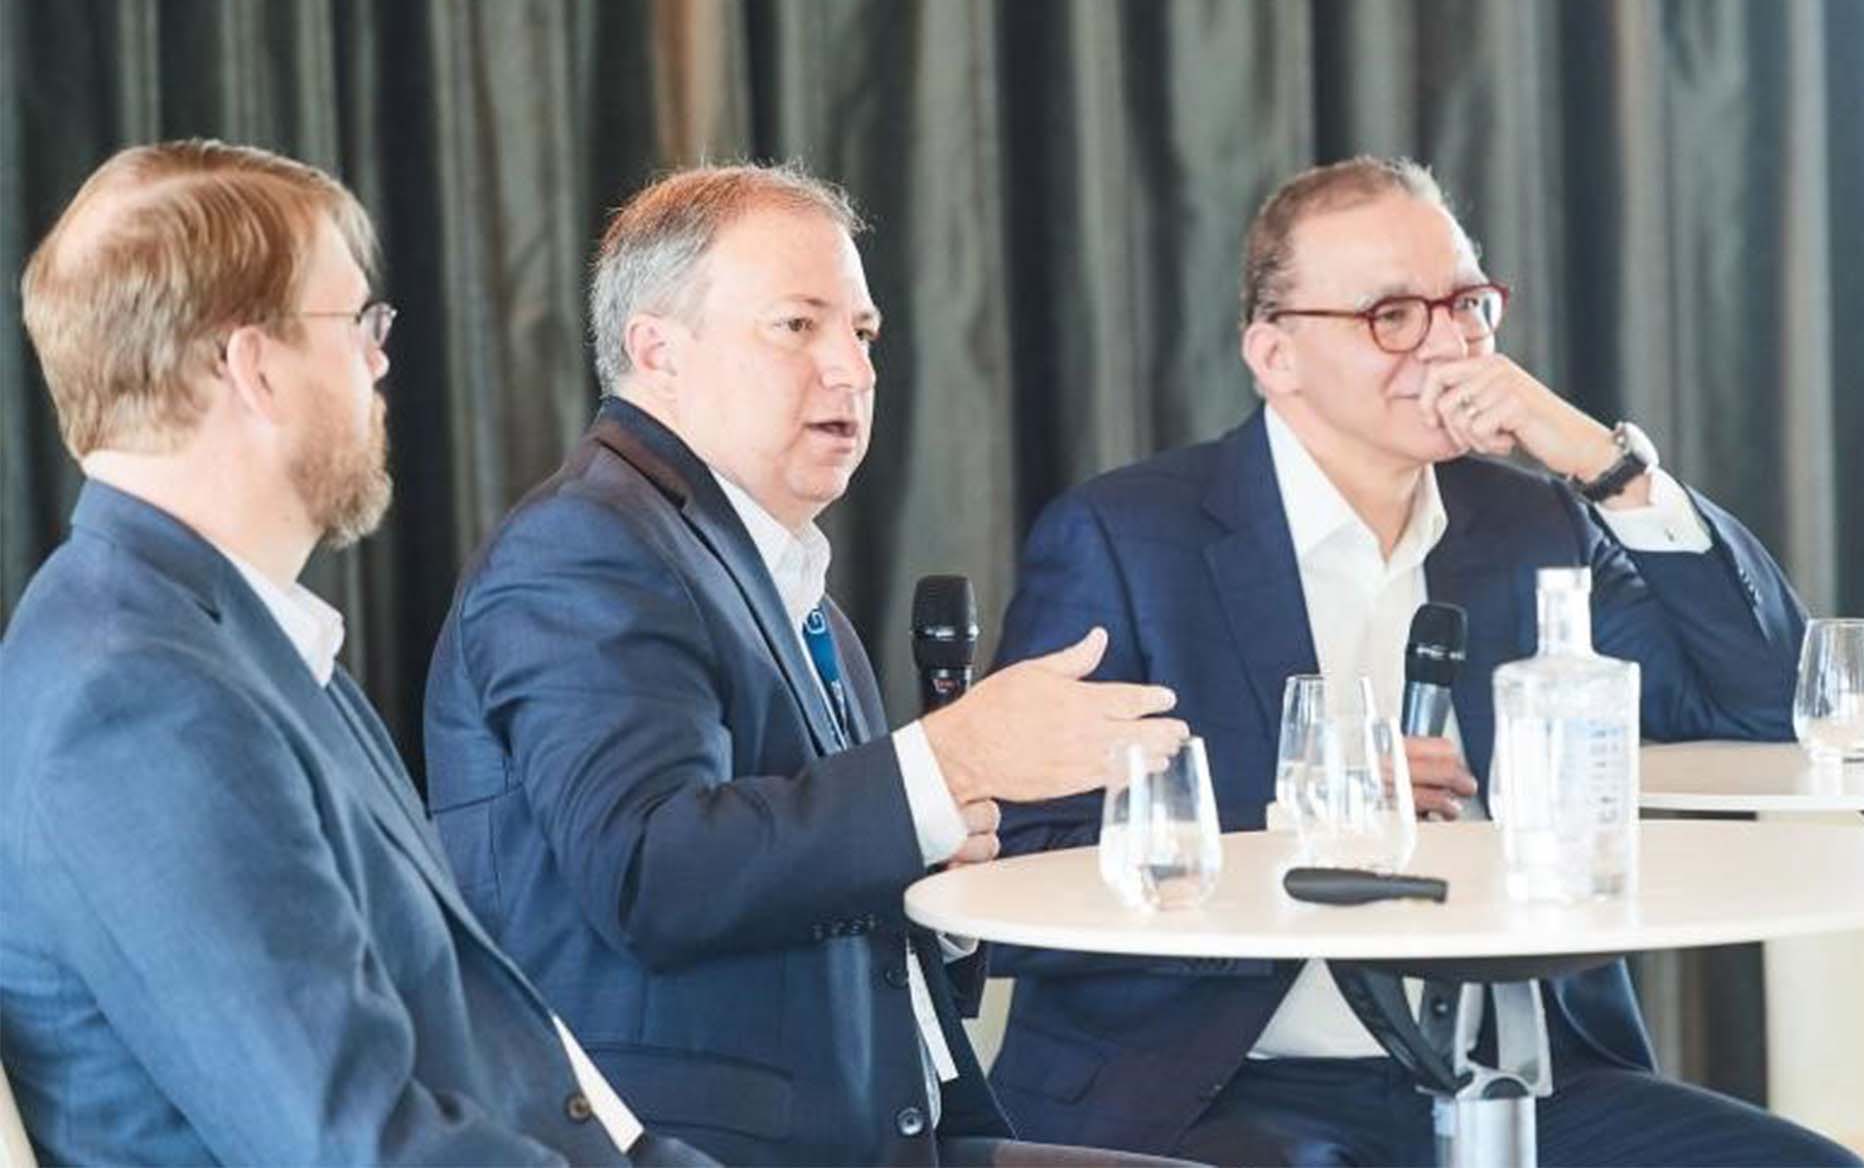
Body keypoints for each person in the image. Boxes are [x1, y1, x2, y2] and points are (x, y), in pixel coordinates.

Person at [986, 156, 1862, 1167]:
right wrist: (1303, 815)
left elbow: (1763, 703)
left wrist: (1605, 466)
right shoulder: (1127, 536)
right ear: (1274, 355)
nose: (1446, 345)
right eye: (1391, 314)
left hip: (1521, 1079)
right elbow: (1022, 863)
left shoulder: (1532, 522)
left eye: (1466, 305)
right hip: (1224, 1082)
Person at [423, 164, 1191, 1167]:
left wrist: (937, 869)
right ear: (657, 350)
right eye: (798, 327)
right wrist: (948, 764)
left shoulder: (783, 579)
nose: (852, 369)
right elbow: (653, 874)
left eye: (863, 333)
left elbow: (819, 870)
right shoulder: (586, 549)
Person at [0, 140, 705, 1166]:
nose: (380, 360)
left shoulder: (221, 636)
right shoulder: (133, 697)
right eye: (358, 322)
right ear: (254, 367)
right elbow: (357, 1149)